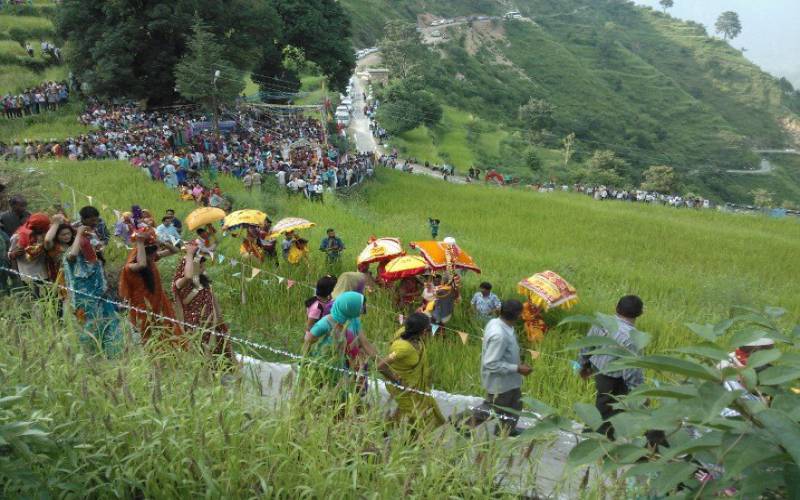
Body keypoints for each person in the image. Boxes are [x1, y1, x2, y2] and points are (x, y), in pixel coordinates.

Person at [578, 295, 645, 440]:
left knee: (603, 404)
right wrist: (639, 391)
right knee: (611, 412)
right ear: (640, 313)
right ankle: (596, 440)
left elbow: (587, 345)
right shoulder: (633, 337)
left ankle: (591, 435)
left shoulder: (601, 322)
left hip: (599, 370)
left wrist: (584, 365)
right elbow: (632, 369)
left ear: (616, 307)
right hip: (615, 379)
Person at [467, 299, 531, 436]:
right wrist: (517, 368)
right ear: (517, 315)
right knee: (493, 408)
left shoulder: (497, 322)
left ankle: (506, 430)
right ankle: (464, 425)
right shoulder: (500, 335)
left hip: (509, 379)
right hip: (500, 381)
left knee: (515, 404)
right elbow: (491, 363)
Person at [63, 221, 122, 357]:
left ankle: (109, 352)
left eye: (67, 233)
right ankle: (91, 353)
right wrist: (78, 233)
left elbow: (100, 257)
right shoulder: (70, 253)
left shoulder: (92, 255)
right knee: (88, 323)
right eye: (63, 234)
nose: (65, 236)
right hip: (82, 297)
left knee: (106, 320)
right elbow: (72, 255)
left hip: (100, 294)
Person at [378, 313, 445, 429]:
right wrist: (398, 382)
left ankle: (387, 430)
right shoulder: (403, 348)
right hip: (401, 387)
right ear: (423, 331)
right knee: (418, 416)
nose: (430, 331)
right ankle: (414, 441)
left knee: (423, 407)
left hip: (415, 384)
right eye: (428, 328)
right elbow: (381, 366)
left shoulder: (416, 338)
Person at [172, 243, 234, 363]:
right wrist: (189, 254)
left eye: (203, 266)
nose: (203, 269)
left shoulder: (204, 282)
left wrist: (220, 322)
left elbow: (214, 303)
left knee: (217, 358)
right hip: (194, 327)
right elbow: (186, 294)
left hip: (211, 324)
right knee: (199, 358)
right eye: (200, 266)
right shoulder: (180, 282)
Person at [303, 291, 377, 392]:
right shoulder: (326, 322)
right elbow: (308, 341)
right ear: (350, 307)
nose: (364, 311)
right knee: (320, 393)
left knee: (346, 395)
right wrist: (304, 364)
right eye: (361, 307)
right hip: (325, 366)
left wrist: (379, 360)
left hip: (344, 366)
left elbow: (365, 343)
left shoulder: (353, 320)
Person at [118, 227, 180, 344]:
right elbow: (141, 264)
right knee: (146, 335)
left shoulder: (150, 259)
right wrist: (140, 242)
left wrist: (161, 243)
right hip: (142, 305)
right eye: (151, 255)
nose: (154, 258)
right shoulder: (130, 266)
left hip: (158, 302)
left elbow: (175, 250)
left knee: (163, 333)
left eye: (154, 255)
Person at [8, 212, 50, 289]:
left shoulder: (45, 234)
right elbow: (9, 254)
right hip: (28, 273)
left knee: (48, 295)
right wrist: (14, 254)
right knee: (35, 296)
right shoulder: (18, 236)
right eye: (40, 228)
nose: (42, 230)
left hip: (44, 271)